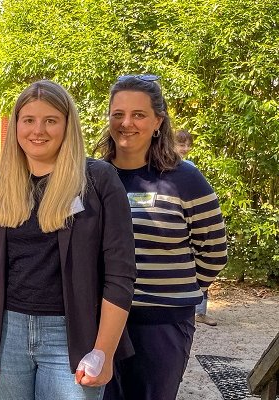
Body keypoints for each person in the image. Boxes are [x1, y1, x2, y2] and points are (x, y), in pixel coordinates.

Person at [0, 80, 137, 400]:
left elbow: (120, 275)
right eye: (28, 120)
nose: (37, 130)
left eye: (50, 120)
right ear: (16, 125)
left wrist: (104, 351)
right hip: (7, 334)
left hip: (71, 335)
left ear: (67, 125)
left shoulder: (98, 181)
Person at [97, 75, 228, 400]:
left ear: (158, 121)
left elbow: (213, 252)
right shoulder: (93, 177)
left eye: (138, 114)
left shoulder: (185, 180)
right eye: (118, 114)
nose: (126, 123)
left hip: (163, 325)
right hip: (102, 323)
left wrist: (176, 292)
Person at [175, 129, 218, 327]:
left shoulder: (190, 170)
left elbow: (214, 250)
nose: (185, 148)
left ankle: (199, 309)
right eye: (181, 144)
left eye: (187, 144)